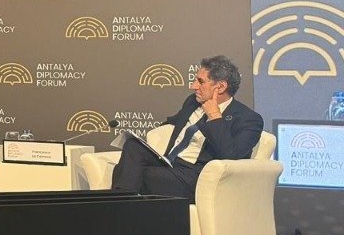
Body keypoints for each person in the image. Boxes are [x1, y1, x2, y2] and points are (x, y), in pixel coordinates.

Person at [111, 55, 263, 201]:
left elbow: (231, 158)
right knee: (133, 146)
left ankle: (118, 208)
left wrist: (215, 117)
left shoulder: (248, 119)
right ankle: (122, 205)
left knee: (134, 174)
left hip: (197, 175)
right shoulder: (193, 102)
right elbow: (174, 122)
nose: (193, 86)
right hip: (170, 163)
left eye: (200, 82)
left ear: (221, 87)